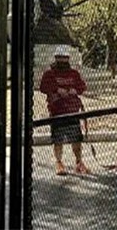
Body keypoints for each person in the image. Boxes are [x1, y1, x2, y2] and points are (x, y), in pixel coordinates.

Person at [39, 45, 90, 175]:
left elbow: (82, 86)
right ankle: (59, 162)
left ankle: (78, 162)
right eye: (60, 58)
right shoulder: (49, 74)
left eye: (65, 58)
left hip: (72, 110)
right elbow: (43, 87)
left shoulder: (73, 73)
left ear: (68, 59)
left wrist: (75, 90)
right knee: (58, 139)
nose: (62, 60)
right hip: (57, 110)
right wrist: (56, 90)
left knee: (76, 139)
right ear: (56, 58)